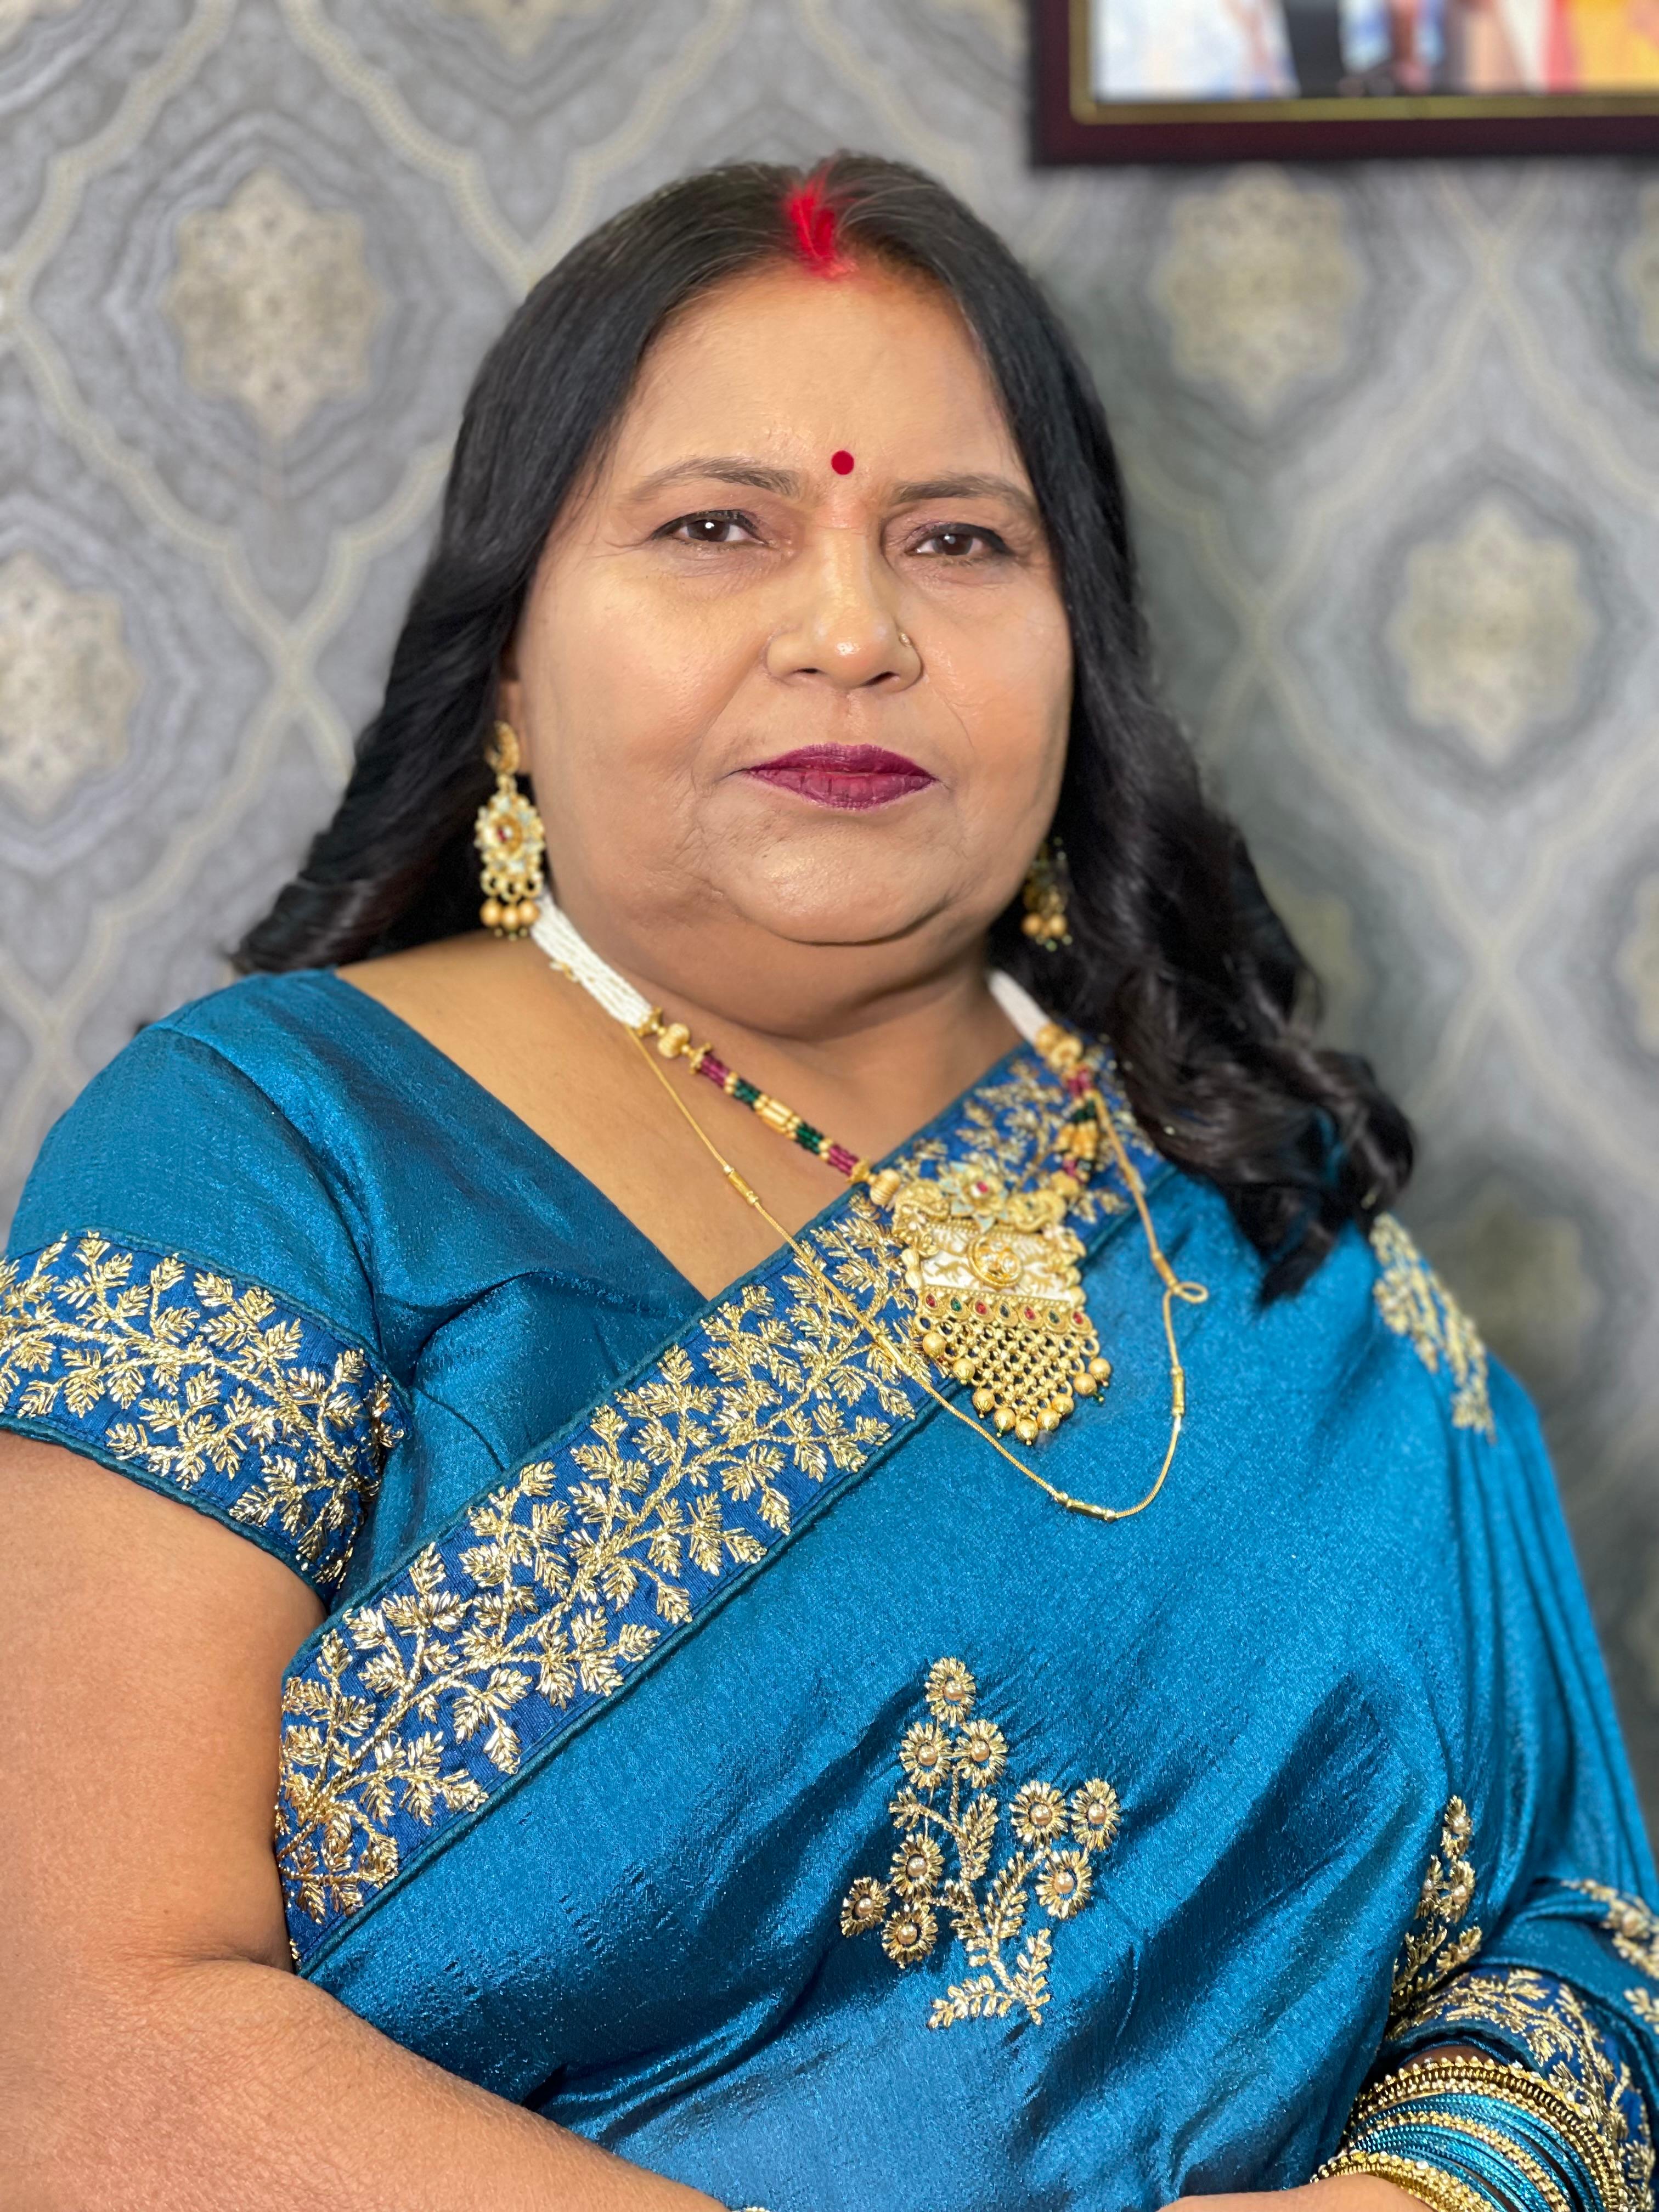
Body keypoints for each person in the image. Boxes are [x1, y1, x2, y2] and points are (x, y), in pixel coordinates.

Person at [2, 154, 1655, 2212]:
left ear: (1081, 653)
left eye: (959, 540)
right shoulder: (268, 1147)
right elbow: (82, 2053)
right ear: (508, 665)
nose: (854, 632)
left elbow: (1576, 1959)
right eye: (719, 526)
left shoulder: (1264, 1213)